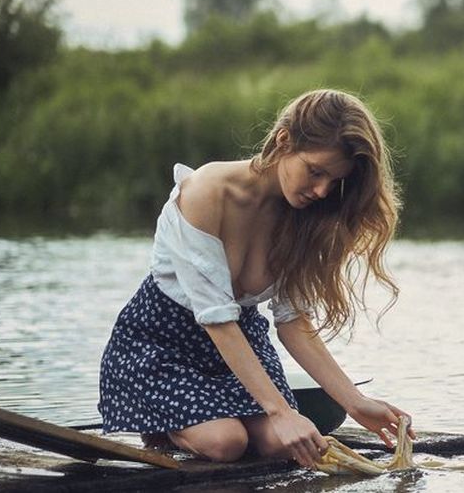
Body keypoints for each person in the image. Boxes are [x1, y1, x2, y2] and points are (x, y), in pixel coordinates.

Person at [97, 89, 413, 468]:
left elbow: (293, 321)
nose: (322, 191)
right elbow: (215, 317)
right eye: (315, 171)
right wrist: (281, 412)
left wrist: (355, 402)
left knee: (284, 445)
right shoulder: (206, 192)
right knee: (225, 442)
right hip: (160, 344)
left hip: (241, 343)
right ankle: (161, 427)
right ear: (283, 141)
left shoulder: (305, 217)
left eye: (334, 181)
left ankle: (219, 419)